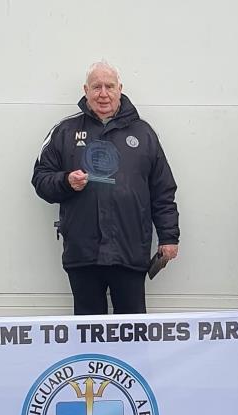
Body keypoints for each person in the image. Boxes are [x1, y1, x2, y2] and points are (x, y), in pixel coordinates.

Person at [32, 60, 180, 315]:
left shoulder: (143, 133)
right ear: (85, 90)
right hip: (83, 253)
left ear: (120, 88)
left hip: (130, 250)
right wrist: (66, 181)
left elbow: (162, 190)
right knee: (89, 336)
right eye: (96, 86)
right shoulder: (65, 131)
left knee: (132, 333)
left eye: (109, 86)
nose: (103, 94)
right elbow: (41, 179)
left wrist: (169, 237)